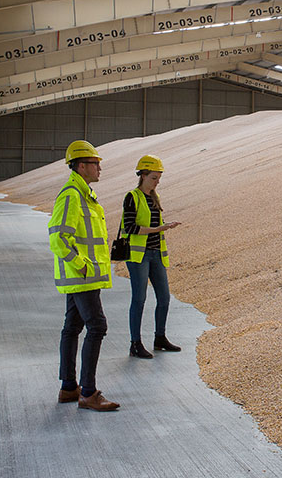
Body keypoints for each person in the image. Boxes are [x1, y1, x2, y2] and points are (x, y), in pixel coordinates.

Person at [48, 140, 120, 411]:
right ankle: (88, 393)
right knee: (97, 326)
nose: (99, 168)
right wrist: (82, 265)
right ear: (81, 166)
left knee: (73, 327)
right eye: (95, 163)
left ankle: (69, 387)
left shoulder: (84, 194)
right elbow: (58, 238)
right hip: (82, 276)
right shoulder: (71, 195)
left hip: (84, 275)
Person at [121, 154, 182, 358]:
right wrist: (160, 228)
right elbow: (129, 227)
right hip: (138, 257)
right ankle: (135, 343)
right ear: (143, 175)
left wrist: (163, 228)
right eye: (154, 178)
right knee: (139, 299)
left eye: (159, 178)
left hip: (156, 254)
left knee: (164, 297)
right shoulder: (132, 197)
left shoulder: (154, 198)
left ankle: (160, 338)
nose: (157, 182)